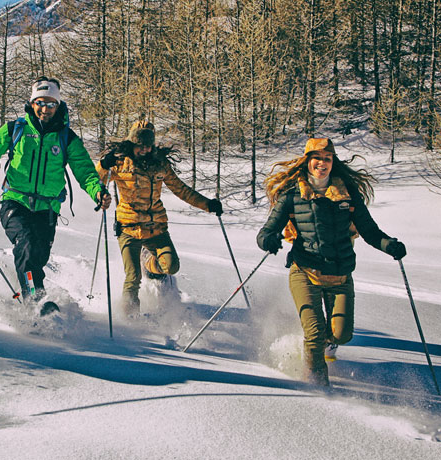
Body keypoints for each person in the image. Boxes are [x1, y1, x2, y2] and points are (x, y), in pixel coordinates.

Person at [256, 138, 406, 386]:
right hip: (305, 272)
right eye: (317, 158)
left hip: (340, 276)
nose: (322, 163)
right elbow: (265, 232)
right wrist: (268, 240)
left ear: (333, 162)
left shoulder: (347, 193)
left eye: (327, 158)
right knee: (314, 334)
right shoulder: (293, 195)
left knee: (341, 334)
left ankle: (325, 346)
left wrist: (389, 245)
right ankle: (317, 387)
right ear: (307, 161)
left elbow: (370, 231)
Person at [0, 76, 111, 300]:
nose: (45, 109)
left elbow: (85, 172)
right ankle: (36, 302)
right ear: (32, 103)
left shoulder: (66, 138)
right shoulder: (15, 129)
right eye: (40, 102)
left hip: (47, 208)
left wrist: (98, 191)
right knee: (26, 244)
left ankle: (29, 288)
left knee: (37, 256)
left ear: (58, 106)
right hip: (15, 201)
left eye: (50, 104)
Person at [96, 120, 223, 317]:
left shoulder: (160, 164)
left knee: (171, 266)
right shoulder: (120, 163)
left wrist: (208, 204)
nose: (145, 150)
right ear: (132, 144)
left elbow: (181, 190)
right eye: (140, 146)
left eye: (148, 146)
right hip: (128, 228)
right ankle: (130, 322)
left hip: (156, 228)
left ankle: (148, 260)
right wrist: (104, 165)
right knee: (133, 278)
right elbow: (96, 181)